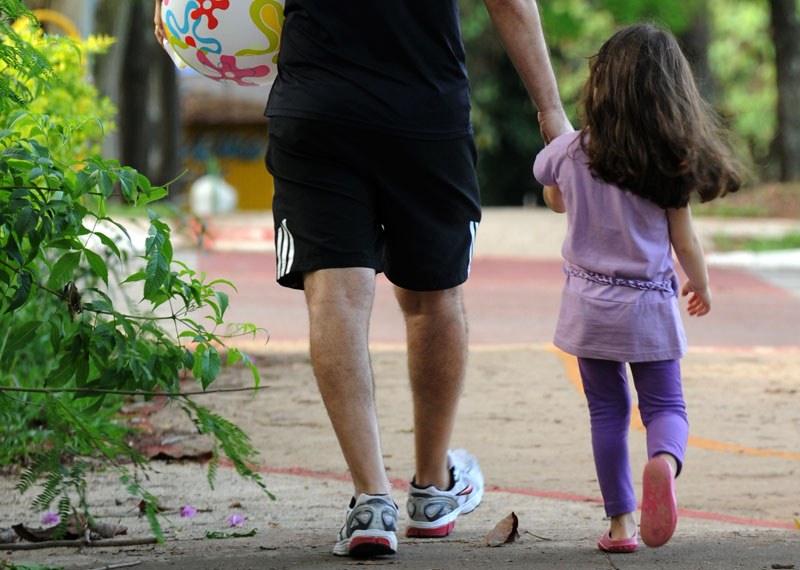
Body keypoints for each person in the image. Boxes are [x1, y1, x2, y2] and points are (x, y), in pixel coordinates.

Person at [155, 0, 571, 559]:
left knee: (337, 293)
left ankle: (371, 500)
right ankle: (432, 488)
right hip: (424, 105)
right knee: (433, 295)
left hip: (317, 104)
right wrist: (551, 116)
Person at [534, 22, 741, 554]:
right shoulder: (668, 162)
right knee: (666, 407)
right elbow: (685, 240)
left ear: (599, 85)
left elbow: (556, 200)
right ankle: (663, 463)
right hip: (649, 306)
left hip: (588, 308)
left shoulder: (571, 151)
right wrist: (702, 283)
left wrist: (552, 127)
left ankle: (622, 525)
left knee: (606, 412)